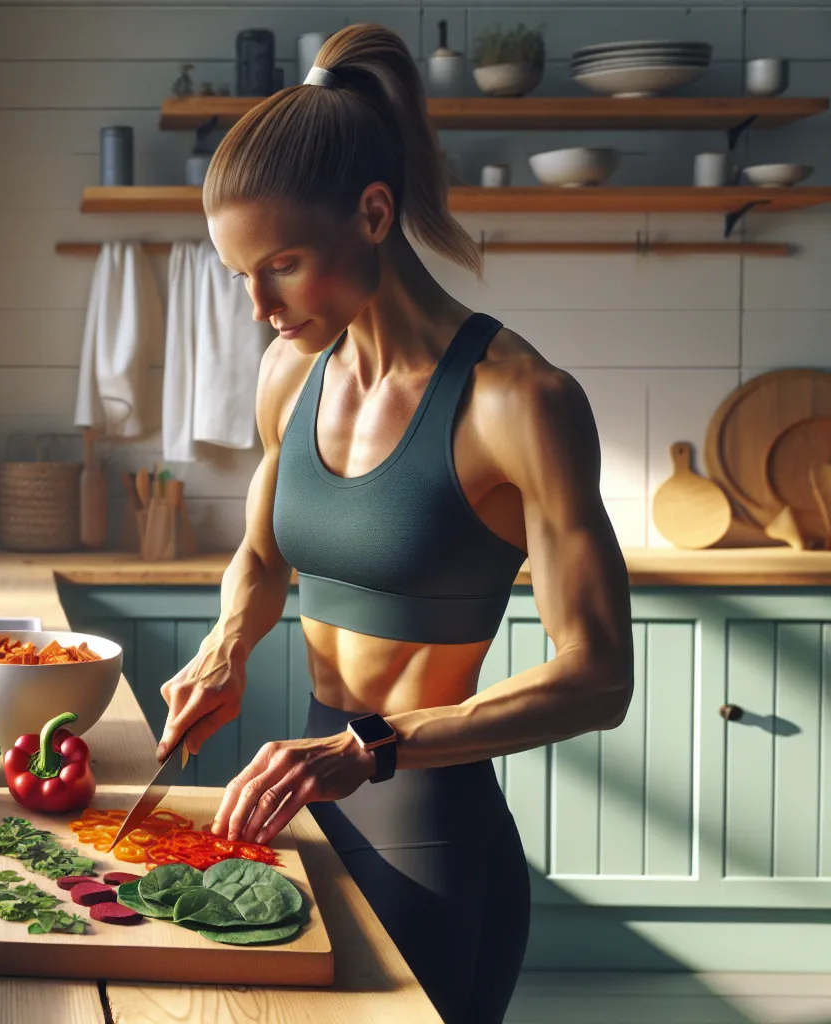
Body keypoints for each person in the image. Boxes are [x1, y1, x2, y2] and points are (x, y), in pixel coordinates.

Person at [154, 23, 634, 1024]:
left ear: (373, 213)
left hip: (431, 835)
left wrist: (366, 746)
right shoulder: (292, 371)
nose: (256, 306)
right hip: (309, 803)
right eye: (240, 273)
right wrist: (224, 644)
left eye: (279, 265)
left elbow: (597, 677)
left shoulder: (518, 401)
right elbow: (260, 550)